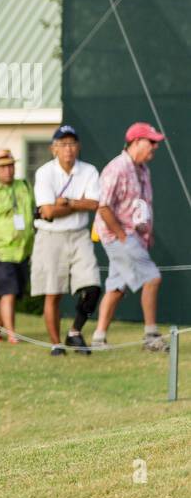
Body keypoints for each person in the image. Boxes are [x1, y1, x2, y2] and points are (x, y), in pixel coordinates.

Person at [93, 122, 167, 352]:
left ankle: (98, 338)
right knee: (152, 278)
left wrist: (147, 232)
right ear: (136, 142)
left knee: (117, 287)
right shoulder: (117, 168)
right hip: (119, 235)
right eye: (151, 141)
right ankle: (151, 336)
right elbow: (103, 206)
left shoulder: (143, 169)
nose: (154, 147)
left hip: (135, 235)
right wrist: (122, 236)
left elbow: (140, 206)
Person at [31, 125, 102, 356]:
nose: (68, 149)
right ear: (54, 149)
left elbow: (94, 204)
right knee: (54, 292)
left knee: (92, 287)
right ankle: (55, 344)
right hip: (51, 236)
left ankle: (74, 333)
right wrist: (72, 204)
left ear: (78, 147)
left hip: (79, 234)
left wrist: (67, 203)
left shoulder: (89, 171)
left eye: (72, 143)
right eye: (63, 144)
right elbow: (48, 212)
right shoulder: (44, 172)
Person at [0, 149, 35, 344]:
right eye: (3, 167)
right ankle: (12, 335)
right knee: (8, 292)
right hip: (3, 250)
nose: (8, 171)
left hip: (23, 249)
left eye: (10, 166)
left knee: (14, 293)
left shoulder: (24, 186)